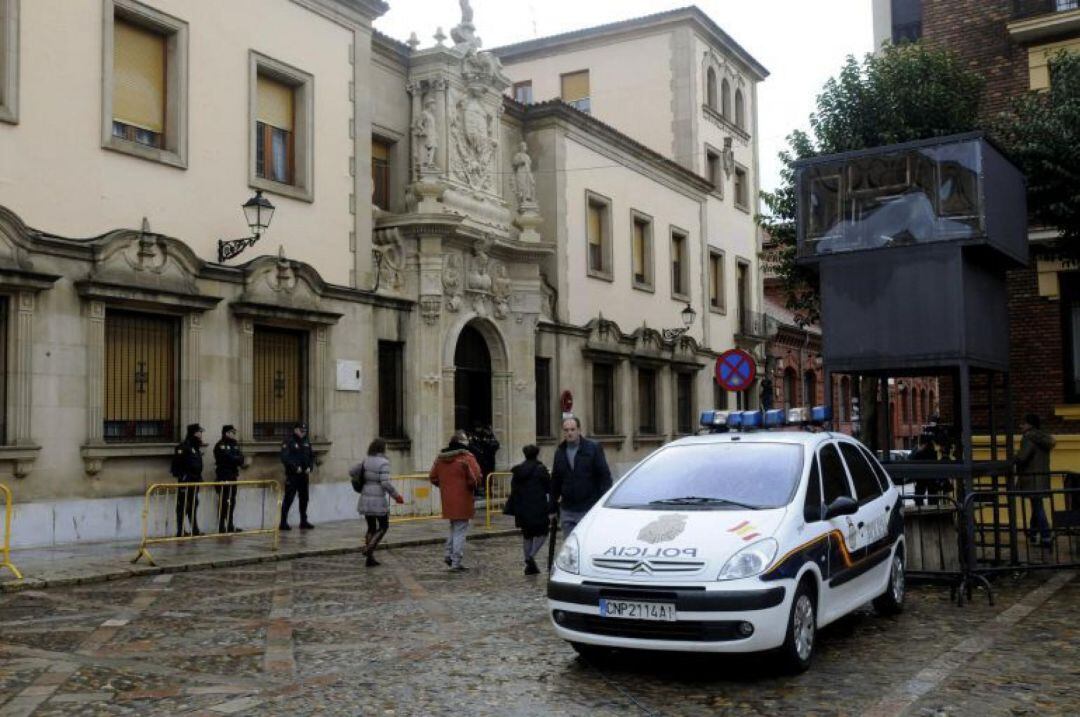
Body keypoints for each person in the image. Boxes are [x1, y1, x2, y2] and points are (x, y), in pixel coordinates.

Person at [429, 430, 482, 571]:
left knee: (454, 527)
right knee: (460, 530)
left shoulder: (440, 458)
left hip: (447, 498)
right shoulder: (467, 457)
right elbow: (476, 478)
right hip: (463, 497)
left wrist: (445, 486)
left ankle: (448, 554)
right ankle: (455, 561)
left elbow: (433, 477)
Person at [550, 416, 612, 536]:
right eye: (566, 430)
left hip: (588, 508)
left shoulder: (593, 449)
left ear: (579, 430)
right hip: (567, 509)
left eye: (572, 429)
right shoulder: (560, 452)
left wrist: (602, 504)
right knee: (570, 546)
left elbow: (604, 477)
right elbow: (555, 481)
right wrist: (552, 508)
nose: (569, 433)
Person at [351, 438, 404, 568]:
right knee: (384, 526)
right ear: (382, 449)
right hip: (378, 500)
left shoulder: (366, 461)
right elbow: (385, 482)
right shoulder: (384, 462)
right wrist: (396, 495)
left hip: (365, 497)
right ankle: (369, 548)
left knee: (371, 527)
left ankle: (369, 559)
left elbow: (352, 472)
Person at [504, 444, 551, 575]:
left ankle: (528, 561)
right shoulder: (540, 469)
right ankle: (531, 556)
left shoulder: (518, 471)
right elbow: (549, 487)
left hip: (522, 508)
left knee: (527, 535)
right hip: (538, 507)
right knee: (543, 532)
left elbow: (514, 489)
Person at [1014, 413, 1054, 547]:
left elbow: (1022, 457)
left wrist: (1014, 457)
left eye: (1023, 423)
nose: (1021, 426)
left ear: (1030, 425)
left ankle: (1046, 536)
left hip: (1031, 478)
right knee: (1036, 506)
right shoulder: (1042, 438)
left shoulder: (1028, 438)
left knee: (1037, 507)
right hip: (1041, 477)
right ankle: (1033, 533)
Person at [170, 424, 205, 538]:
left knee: (194, 504)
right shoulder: (183, 447)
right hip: (186, 482)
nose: (201, 434)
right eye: (199, 432)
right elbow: (176, 466)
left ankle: (194, 529)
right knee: (183, 506)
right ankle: (180, 530)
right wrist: (183, 477)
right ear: (194, 433)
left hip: (194, 481)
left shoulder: (195, 447)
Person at [280, 423, 315, 531]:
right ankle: (283, 522)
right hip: (293, 475)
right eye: (301, 430)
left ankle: (303, 521)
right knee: (289, 498)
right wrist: (295, 468)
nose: (303, 433)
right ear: (295, 430)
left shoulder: (306, 442)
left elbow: (311, 456)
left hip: (304, 475)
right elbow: (284, 458)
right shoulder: (288, 441)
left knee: (304, 498)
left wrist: (310, 467)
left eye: (304, 431)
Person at [213, 425, 245, 533]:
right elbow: (227, 458)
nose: (234, 434)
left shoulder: (234, 445)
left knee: (232, 501)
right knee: (224, 501)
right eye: (232, 432)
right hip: (223, 476)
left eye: (234, 432)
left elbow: (241, 459)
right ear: (226, 433)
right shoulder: (220, 445)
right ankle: (222, 526)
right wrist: (235, 459)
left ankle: (230, 525)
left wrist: (235, 459)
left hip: (232, 476)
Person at [910, 434, 939, 507]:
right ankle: (933, 509)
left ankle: (920, 509)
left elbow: (911, 459)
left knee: (919, 495)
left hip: (921, 477)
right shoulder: (933, 452)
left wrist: (918, 449)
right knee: (933, 496)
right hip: (931, 477)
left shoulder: (919, 452)